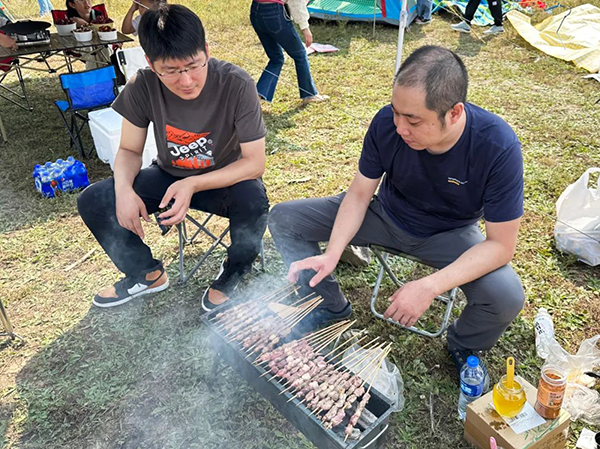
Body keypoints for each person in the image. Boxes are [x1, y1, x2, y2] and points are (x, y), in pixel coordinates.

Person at [268, 45, 525, 381]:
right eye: (395, 112)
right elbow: (359, 194)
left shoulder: (496, 146)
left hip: (449, 234)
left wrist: (430, 286)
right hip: (385, 214)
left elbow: (501, 246)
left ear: (455, 113)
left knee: (506, 296)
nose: (400, 128)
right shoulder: (387, 125)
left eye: (413, 120)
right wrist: (332, 253)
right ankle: (327, 304)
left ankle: (465, 343)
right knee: (284, 218)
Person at [77, 4, 269, 311]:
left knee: (254, 203)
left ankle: (234, 271)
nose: (187, 81)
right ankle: (146, 273)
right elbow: (129, 150)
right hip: (168, 175)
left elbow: (254, 163)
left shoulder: (236, 83)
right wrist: (124, 191)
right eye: (171, 71)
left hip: (224, 177)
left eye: (194, 65)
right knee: (94, 201)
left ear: (206, 51)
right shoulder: (142, 85)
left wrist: (192, 184)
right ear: (151, 64)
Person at [250, 0, 328, 104]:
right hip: (273, 13)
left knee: (276, 59)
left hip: (256, 12)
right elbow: (296, 2)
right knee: (300, 55)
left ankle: (257, 95)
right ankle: (309, 94)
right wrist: (305, 28)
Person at [66, 0, 112, 69]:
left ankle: (105, 72)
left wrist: (85, 24)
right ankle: (104, 73)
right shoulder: (69, 19)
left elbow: (105, 32)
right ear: (72, 5)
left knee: (106, 47)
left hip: (99, 42)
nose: (86, 2)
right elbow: (69, 39)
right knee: (92, 51)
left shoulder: (98, 15)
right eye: (81, 0)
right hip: (79, 44)